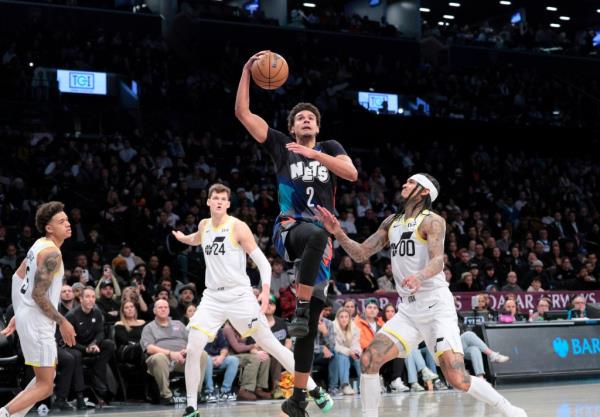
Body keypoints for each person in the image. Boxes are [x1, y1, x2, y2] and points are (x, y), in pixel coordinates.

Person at [316, 173, 528, 417]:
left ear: (424, 191)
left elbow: (438, 260)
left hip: (436, 306)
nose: (404, 184)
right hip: (408, 310)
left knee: (457, 378)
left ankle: (508, 409)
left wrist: (419, 277)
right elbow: (362, 253)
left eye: (410, 182)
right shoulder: (391, 222)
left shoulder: (433, 221)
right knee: (369, 359)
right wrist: (338, 233)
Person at [235, 50, 358, 417]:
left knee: (308, 329)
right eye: (299, 118)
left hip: (322, 243)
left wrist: (319, 157)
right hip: (289, 229)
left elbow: (350, 173)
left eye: (311, 118)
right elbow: (243, 114)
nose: (305, 120)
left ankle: (299, 398)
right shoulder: (280, 146)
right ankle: (301, 307)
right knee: (316, 235)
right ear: (292, 128)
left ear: (317, 128)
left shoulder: (330, 150)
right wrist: (246, 71)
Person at [171, 183, 333, 417]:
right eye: (214, 198)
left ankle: (315, 389)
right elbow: (198, 238)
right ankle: (191, 408)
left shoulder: (238, 227)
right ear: (208, 202)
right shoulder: (204, 225)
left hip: (239, 296)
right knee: (194, 345)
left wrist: (265, 292)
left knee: (272, 346)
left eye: (222, 199)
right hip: (212, 297)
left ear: (227, 204)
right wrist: (183, 238)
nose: (218, 201)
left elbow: (264, 263)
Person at [1, 202, 77, 417]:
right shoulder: (52, 254)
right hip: (39, 322)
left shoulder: (38, 245)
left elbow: (18, 277)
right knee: (45, 386)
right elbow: (38, 294)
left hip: (30, 317)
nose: (68, 224)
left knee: (44, 380)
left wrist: (20, 312)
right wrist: (63, 322)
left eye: (68, 220)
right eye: (61, 222)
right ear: (49, 228)